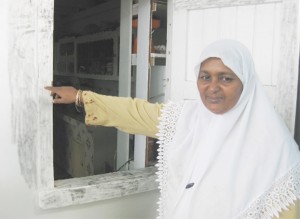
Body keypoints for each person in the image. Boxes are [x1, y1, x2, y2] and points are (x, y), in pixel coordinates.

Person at [45, 40, 300, 219]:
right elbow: (135, 112)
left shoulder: (275, 147)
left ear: (245, 83)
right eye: (205, 76)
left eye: (226, 78)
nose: (212, 87)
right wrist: (79, 96)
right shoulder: (187, 118)